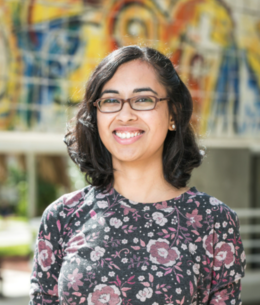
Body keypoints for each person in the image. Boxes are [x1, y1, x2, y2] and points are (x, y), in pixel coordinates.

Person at [29, 46, 246, 305]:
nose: (125, 114)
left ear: (173, 114)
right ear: (96, 117)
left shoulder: (214, 220)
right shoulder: (62, 216)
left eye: (143, 99)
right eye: (110, 100)